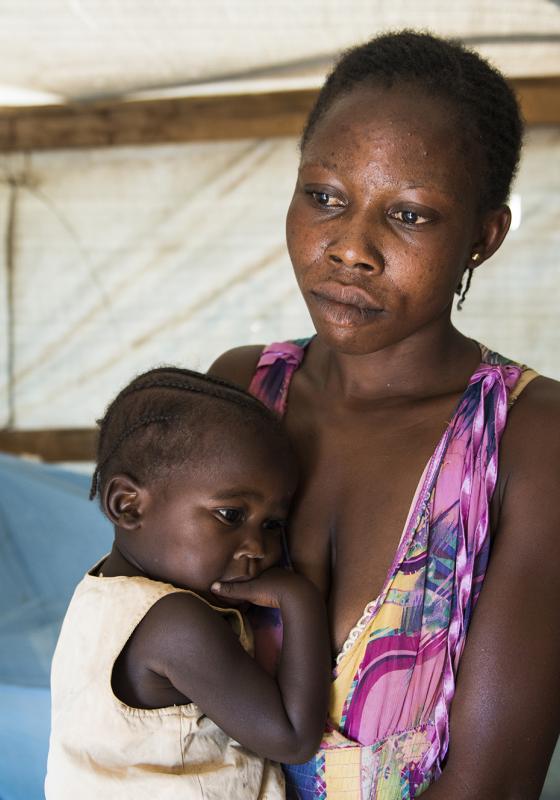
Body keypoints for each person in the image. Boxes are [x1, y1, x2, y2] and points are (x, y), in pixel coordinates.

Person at [209, 30, 560, 800]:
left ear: (483, 237)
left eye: (409, 214)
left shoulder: (533, 440)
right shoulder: (241, 396)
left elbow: (490, 786)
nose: (350, 248)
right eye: (325, 197)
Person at [45, 367, 330, 799]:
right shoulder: (175, 623)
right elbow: (291, 737)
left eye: (272, 524)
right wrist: (300, 598)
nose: (257, 547)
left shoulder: (98, 595)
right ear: (128, 505)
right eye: (231, 515)